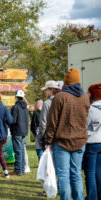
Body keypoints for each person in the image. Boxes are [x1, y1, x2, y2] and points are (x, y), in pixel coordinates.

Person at [45, 68, 90, 200]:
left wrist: (48, 141)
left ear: (66, 82)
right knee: (76, 174)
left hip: (62, 142)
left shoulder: (59, 97)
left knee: (63, 175)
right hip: (80, 141)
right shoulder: (85, 98)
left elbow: (52, 122)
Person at [82, 83, 101, 200]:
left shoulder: (91, 109)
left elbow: (85, 126)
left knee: (89, 173)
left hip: (91, 143)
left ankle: (91, 197)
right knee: (99, 171)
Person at [9, 90, 29, 176]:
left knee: (18, 151)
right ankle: (22, 169)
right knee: (21, 150)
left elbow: (13, 120)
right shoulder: (26, 108)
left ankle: (18, 170)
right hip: (24, 131)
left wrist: (7, 120)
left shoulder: (15, 107)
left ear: (16, 97)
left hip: (17, 131)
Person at [37, 80, 61, 149]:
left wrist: (40, 136)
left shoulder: (46, 103)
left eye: (46, 90)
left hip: (48, 137)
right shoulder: (62, 101)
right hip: (60, 136)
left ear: (51, 89)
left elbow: (43, 122)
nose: (45, 92)